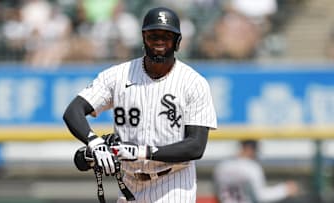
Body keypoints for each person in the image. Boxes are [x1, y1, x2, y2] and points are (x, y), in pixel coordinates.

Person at [63, 6, 217, 203]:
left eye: (166, 36)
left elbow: (195, 146)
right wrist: (95, 142)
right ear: (144, 38)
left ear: (177, 42)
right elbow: (73, 111)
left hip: (174, 183)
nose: (159, 42)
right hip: (130, 186)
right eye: (154, 35)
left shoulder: (193, 83)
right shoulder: (118, 75)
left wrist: (143, 151)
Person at [213, 140, 299, 203]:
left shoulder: (221, 166)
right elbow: (262, 196)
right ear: (249, 149)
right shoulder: (251, 167)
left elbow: (217, 194)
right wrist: (285, 189)